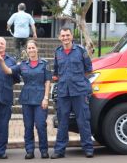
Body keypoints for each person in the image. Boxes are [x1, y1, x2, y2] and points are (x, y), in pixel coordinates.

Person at [0, 39, 51, 160]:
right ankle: (29, 150)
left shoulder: (44, 63)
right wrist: (1, 62)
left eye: (33, 48)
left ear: (37, 49)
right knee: (28, 126)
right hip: (27, 99)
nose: (31, 50)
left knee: (41, 125)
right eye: (29, 48)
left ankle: (44, 150)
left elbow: (48, 81)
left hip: (40, 99)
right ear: (26, 50)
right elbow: (8, 71)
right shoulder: (22, 65)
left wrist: (46, 98)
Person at [51, 27, 94, 159]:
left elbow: (88, 70)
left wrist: (79, 82)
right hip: (64, 92)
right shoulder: (58, 52)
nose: (65, 38)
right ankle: (59, 150)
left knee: (83, 121)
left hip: (79, 91)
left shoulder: (81, 51)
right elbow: (56, 73)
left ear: (71, 36)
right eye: (63, 35)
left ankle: (88, 148)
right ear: (59, 37)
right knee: (63, 122)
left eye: (67, 35)